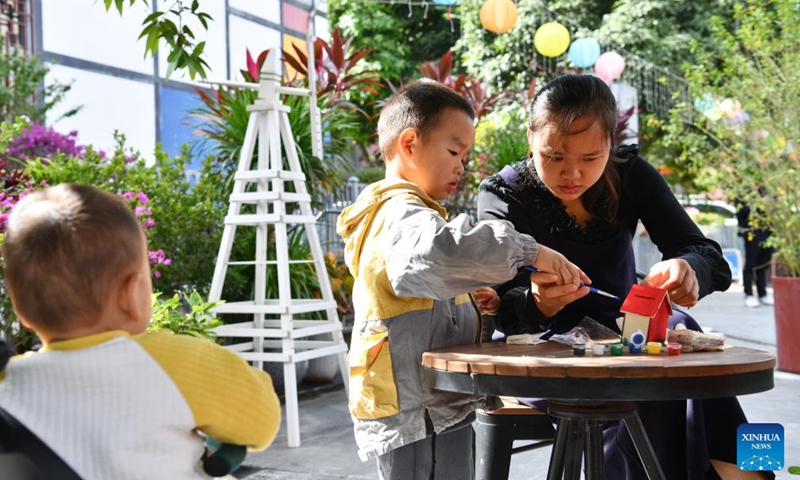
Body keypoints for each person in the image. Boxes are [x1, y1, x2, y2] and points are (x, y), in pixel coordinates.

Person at [477, 74, 771, 480]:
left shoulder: (630, 173)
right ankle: (744, 472)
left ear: (610, 146)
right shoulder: (503, 195)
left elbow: (707, 255)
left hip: (626, 328)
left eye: (590, 158)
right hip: (542, 348)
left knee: (673, 340)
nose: (573, 174)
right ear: (530, 138)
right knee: (652, 377)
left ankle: (751, 469)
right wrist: (539, 302)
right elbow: (501, 310)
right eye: (555, 156)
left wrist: (688, 268)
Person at [336, 79, 587, 480]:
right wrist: (529, 250)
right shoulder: (400, 211)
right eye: (454, 151)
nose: (461, 166)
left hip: (431, 404)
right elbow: (440, 254)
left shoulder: (407, 214)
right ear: (409, 143)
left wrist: (473, 301)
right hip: (419, 409)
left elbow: (419, 284)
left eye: (465, 156)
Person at [0, 184, 281, 479]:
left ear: (21, 310)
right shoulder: (175, 363)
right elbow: (263, 421)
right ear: (132, 294)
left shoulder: (9, 383)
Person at [736, 198, 774, 307]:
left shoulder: (767, 191)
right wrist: (758, 203)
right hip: (751, 233)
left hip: (767, 232)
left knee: (763, 264)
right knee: (751, 264)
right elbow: (742, 213)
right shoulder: (744, 193)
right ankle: (749, 294)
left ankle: (762, 294)